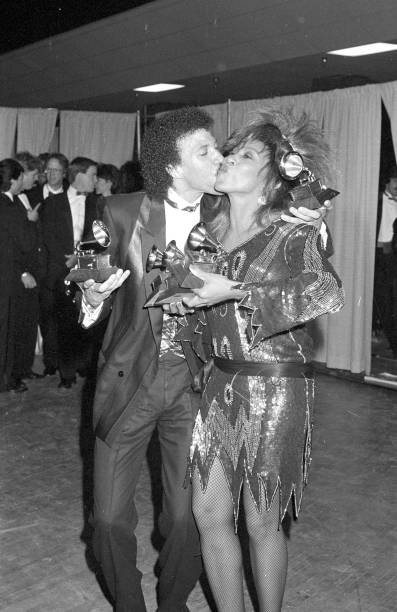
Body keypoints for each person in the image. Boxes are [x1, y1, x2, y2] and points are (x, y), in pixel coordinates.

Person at [79, 107, 329, 612]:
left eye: (223, 149)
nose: (219, 157)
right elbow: (89, 279)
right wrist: (91, 296)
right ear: (172, 166)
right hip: (130, 382)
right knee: (107, 521)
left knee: (190, 521)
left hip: (200, 383)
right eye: (206, 151)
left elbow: (294, 237)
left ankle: (173, 604)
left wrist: (316, 221)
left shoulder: (226, 210)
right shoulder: (120, 210)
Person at [177, 108, 344, 612]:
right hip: (219, 384)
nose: (228, 159)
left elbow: (324, 292)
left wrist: (237, 291)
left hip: (276, 386)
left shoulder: (291, 231)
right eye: (231, 151)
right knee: (209, 513)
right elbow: (192, 320)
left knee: (261, 520)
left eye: (245, 155)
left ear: (273, 179)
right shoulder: (203, 237)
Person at [41, 157, 98, 389]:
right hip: (60, 271)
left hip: (87, 270)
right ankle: (67, 374)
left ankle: (84, 364)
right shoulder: (53, 203)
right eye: (93, 175)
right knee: (64, 324)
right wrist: (68, 260)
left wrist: (81, 256)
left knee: (87, 320)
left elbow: (99, 237)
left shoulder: (97, 202)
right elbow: (47, 236)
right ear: (79, 175)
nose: (95, 180)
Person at [0, 159, 37, 391]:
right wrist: (30, 222)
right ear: (13, 180)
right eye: (21, 176)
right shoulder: (12, 208)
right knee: (8, 331)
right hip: (9, 279)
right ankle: (8, 381)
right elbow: (25, 245)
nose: (23, 180)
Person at [373, 170, 397, 357]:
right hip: (377, 254)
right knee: (381, 296)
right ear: (387, 182)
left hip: (393, 255)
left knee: (391, 298)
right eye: (394, 179)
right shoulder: (376, 199)